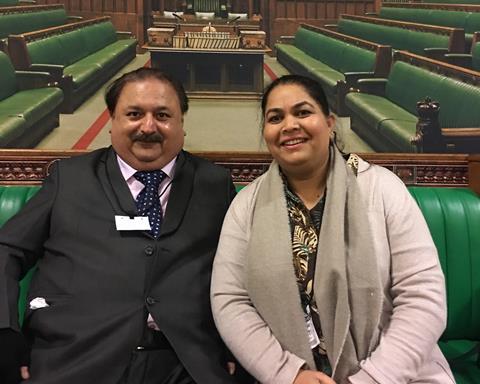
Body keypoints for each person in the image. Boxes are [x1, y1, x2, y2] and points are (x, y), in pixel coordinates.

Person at [0, 67, 245, 384]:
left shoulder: (214, 184)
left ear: (181, 125)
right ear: (111, 122)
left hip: (187, 363)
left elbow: (241, 271)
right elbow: (6, 250)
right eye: (134, 114)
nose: (148, 127)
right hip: (77, 359)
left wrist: (235, 345)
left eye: (162, 115)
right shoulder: (70, 179)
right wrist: (5, 333)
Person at [210, 74, 455, 384]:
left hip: (396, 375)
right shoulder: (246, 206)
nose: (289, 125)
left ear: (329, 123)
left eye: (302, 112)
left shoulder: (382, 190)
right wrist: (288, 374)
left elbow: (424, 297)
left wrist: (372, 378)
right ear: (266, 132)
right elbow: (230, 300)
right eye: (276, 117)